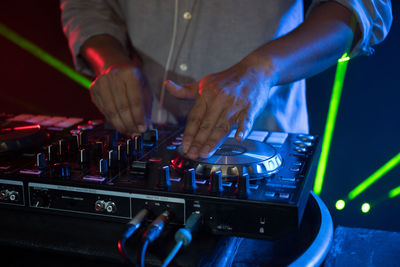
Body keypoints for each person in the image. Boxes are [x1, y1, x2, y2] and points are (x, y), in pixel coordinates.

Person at [61, 0, 392, 160]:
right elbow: (87, 5)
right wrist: (109, 61)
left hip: (265, 142)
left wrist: (262, 69)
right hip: (143, 140)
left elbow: (360, 7)